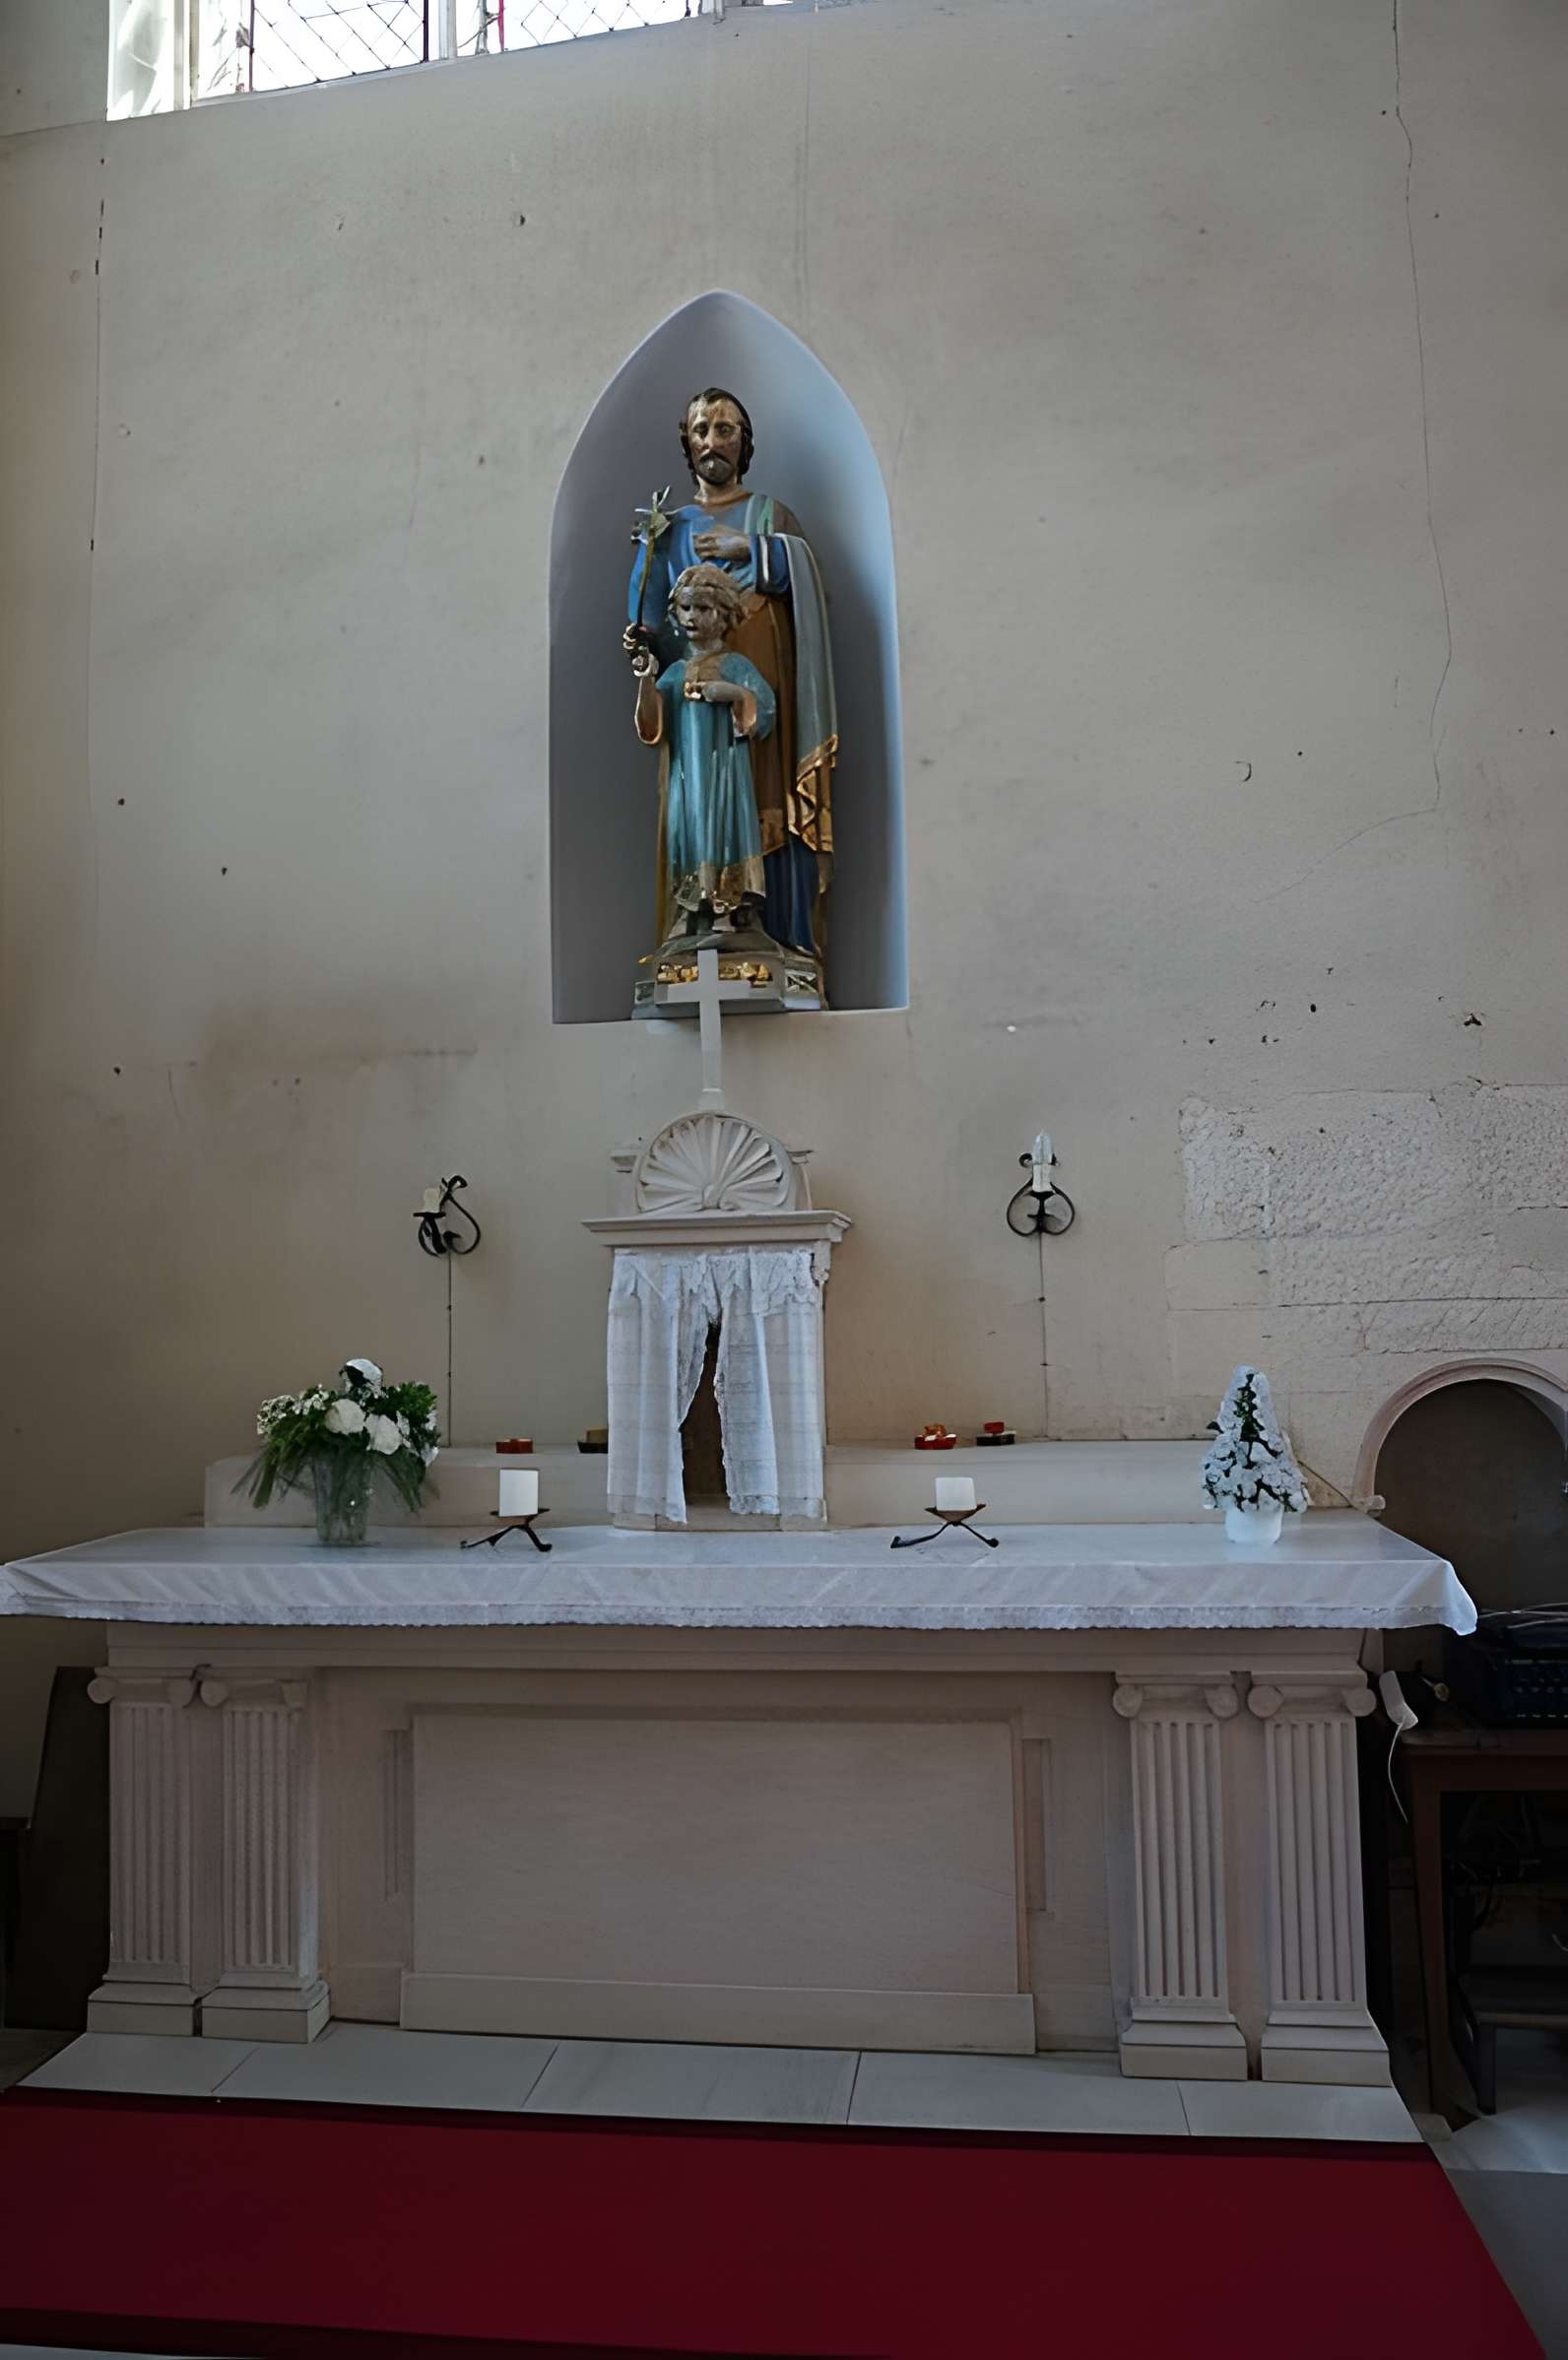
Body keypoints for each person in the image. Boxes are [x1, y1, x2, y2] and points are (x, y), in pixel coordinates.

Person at [624, 388, 834, 960]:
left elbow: (814, 587)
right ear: (687, 444)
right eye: (701, 431)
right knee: (700, 807)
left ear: (744, 443)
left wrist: (754, 548)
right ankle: (700, 919)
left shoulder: (769, 514)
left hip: (762, 690)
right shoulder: (670, 526)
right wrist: (642, 629)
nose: (712, 443)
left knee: (762, 795)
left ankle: (775, 931)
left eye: (725, 431)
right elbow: (648, 618)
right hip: (696, 714)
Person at [631, 563, 777, 944]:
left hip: (724, 772)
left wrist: (731, 693)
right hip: (686, 776)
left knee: (724, 829)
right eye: (685, 608)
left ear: (725, 615)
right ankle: (690, 909)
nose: (692, 616)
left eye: (703, 608)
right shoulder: (676, 671)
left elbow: (765, 708)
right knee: (688, 833)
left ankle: (726, 909)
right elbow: (652, 724)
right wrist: (646, 678)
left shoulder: (735, 666)